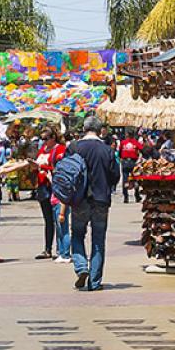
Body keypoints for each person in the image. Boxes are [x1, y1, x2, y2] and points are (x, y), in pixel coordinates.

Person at [67, 117, 120, 291]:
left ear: (84, 128)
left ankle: (81, 267)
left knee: (77, 235)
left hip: (79, 200)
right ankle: (95, 282)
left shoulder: (74, 147)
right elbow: (115, 176)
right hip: (101, 200)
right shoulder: (107, 150)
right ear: (100, 130)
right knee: (98, 241)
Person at [33, 129, 67, 260]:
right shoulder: (43, 149)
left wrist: (44, 167)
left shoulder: (60, 149)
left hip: (54, 186)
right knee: (48, 219)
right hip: (42, 187)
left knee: (58, 218)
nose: (44, 141)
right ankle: (47, 249)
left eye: (46, 138)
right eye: (42, 139)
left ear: (53, 137)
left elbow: (60, 168)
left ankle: (61, 250)